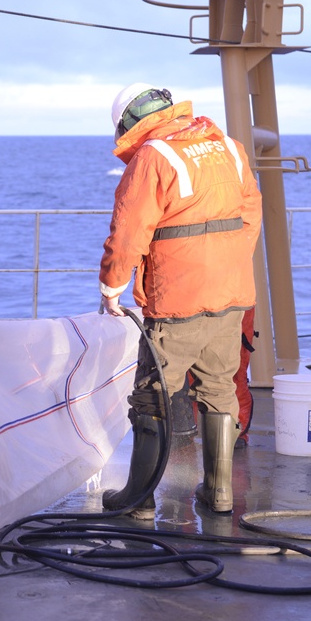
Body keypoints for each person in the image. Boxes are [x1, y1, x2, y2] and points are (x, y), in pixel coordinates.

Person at [97, 83, 263, 516]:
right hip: (232, 294)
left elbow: (129, 232)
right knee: (219, 389)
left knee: (153, 395)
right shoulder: (228, 145)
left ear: (128, 122)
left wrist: (111, 289)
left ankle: (138, 499)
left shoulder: (154, 157)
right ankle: (219, 493)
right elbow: (251, 214)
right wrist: (225, 266)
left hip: (178, 300)